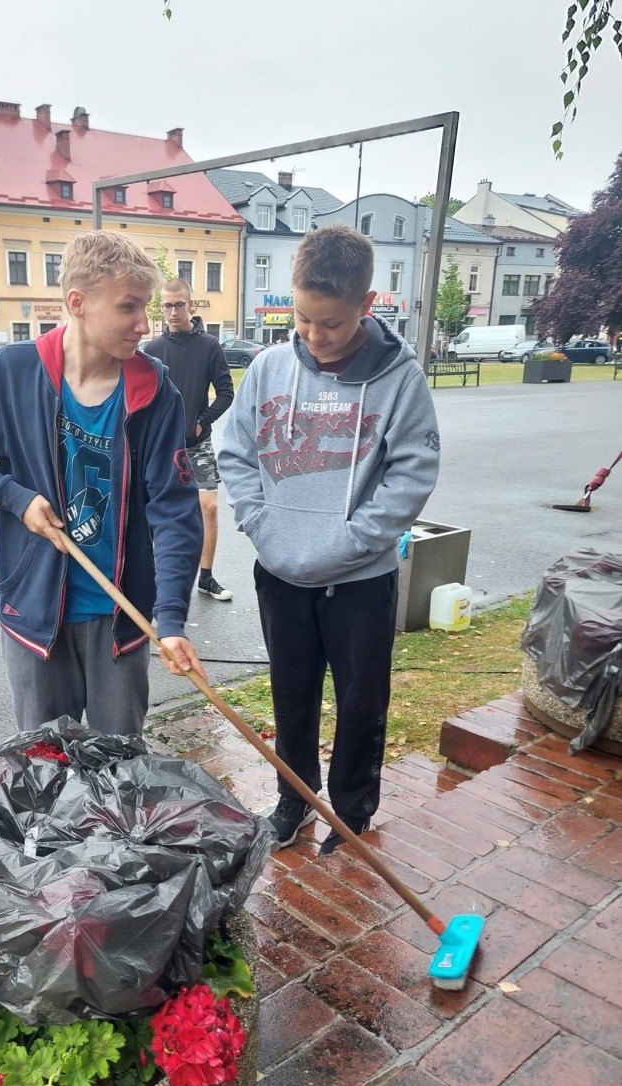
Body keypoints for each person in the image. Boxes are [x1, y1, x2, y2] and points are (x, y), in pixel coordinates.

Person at [0, 230, 205, 737]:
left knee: (118, 767)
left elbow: (174, 511)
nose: (144, 323)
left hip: (121, 618)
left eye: (146, 307)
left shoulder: (154, 390)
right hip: (34, 613)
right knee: (43, 770)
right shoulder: (12, 371)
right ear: (77, 302)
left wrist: (172, 619)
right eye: (128, 307)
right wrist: (15, 496)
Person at [218, 225, 440, 854]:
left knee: (361, 702)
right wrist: (258, 521)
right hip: (280, 572)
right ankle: (294, 798)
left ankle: (351, 812)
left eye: (332, 323)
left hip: (359, 581)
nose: (314, 335)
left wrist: (353, 541)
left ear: (368, 305)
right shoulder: (268, 367)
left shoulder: (401, 380)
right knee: (291, 695)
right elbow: (234, 450)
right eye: (303, 318)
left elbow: (411, 475)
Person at [143, 278, 235, 601]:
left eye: (178, 304)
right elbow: (142, 399)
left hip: (198, 443)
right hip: (162, 448)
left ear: (190, 305)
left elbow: (226, 393)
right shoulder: (152, 350)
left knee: (208, 507)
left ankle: (206, 577)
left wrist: (201, 422)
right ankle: (158, 580)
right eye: (166, 305)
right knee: (158, 512)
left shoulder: (209, 346)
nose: (172, 311)